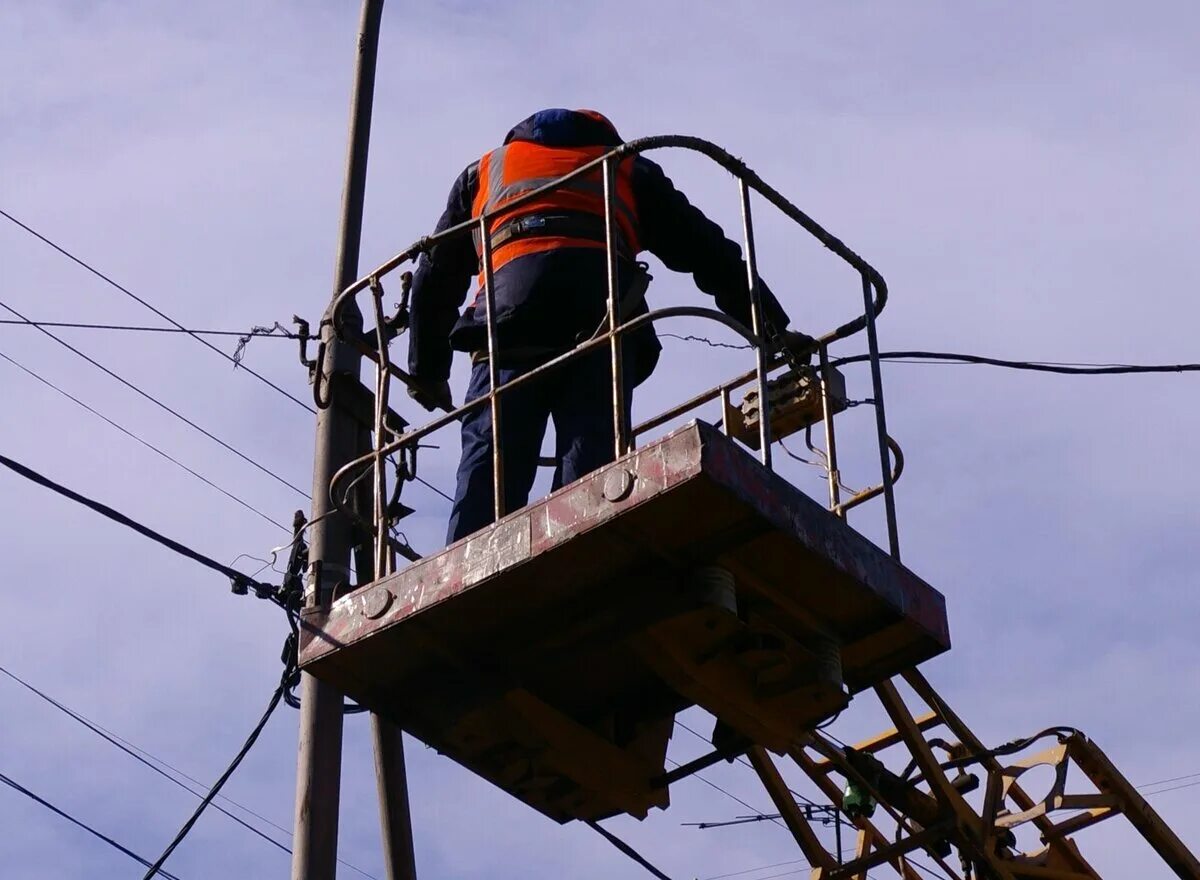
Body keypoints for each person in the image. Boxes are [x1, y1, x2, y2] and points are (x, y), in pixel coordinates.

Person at [406, 108, 809, 543]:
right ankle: (577, 551)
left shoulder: (487, 170)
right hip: (601, 319)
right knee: (589, 466)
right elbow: (711, 254)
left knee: (490, 465)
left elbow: (435, 276)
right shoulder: (624, 166)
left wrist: (427, 371)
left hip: (506, 326)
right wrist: (771, 329)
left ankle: (469, 562)